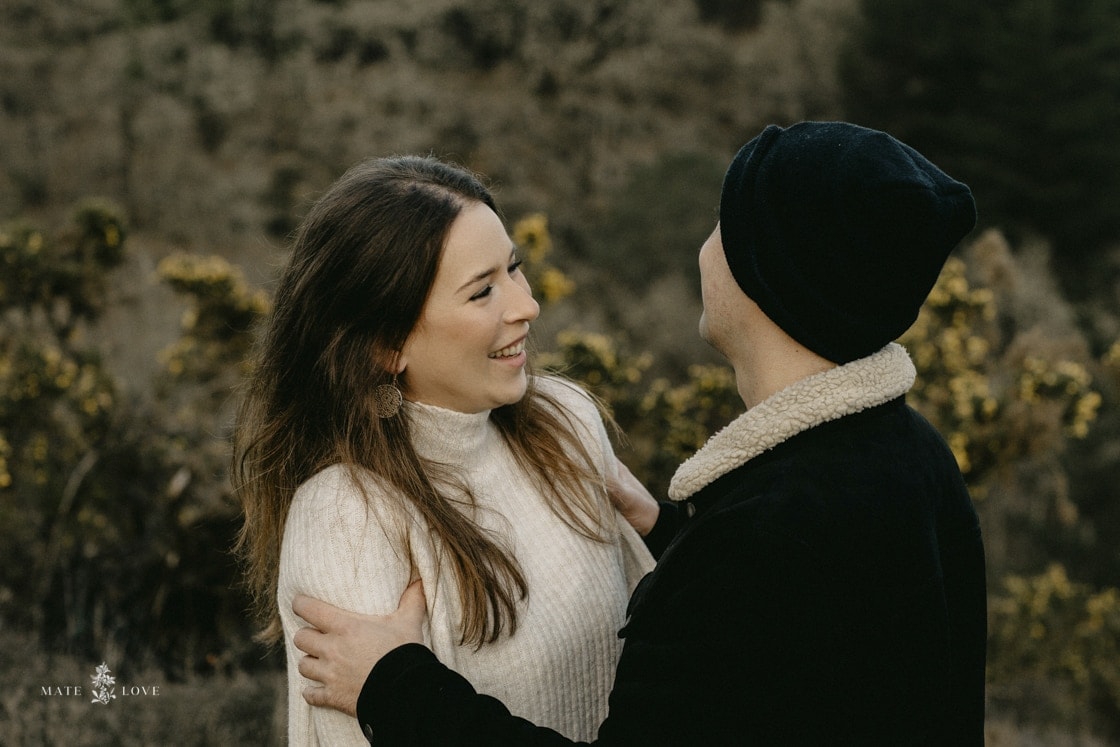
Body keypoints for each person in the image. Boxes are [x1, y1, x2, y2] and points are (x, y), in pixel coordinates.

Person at [291, 122, 988, 745]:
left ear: (769, 274)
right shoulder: (913, 457)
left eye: (725, 222)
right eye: (485, 287)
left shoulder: (756, 542)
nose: (528, 305)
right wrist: (672, 538)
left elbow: (753, 597)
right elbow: (784, 666)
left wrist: (397, 685)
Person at [231, 155, 654, 745]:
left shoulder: (566, 421)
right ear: (387, 344)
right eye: (482, 292)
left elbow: (678, 662)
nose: (526, 306)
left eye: (515, 269)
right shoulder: (348, 519)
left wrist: (673, 531)